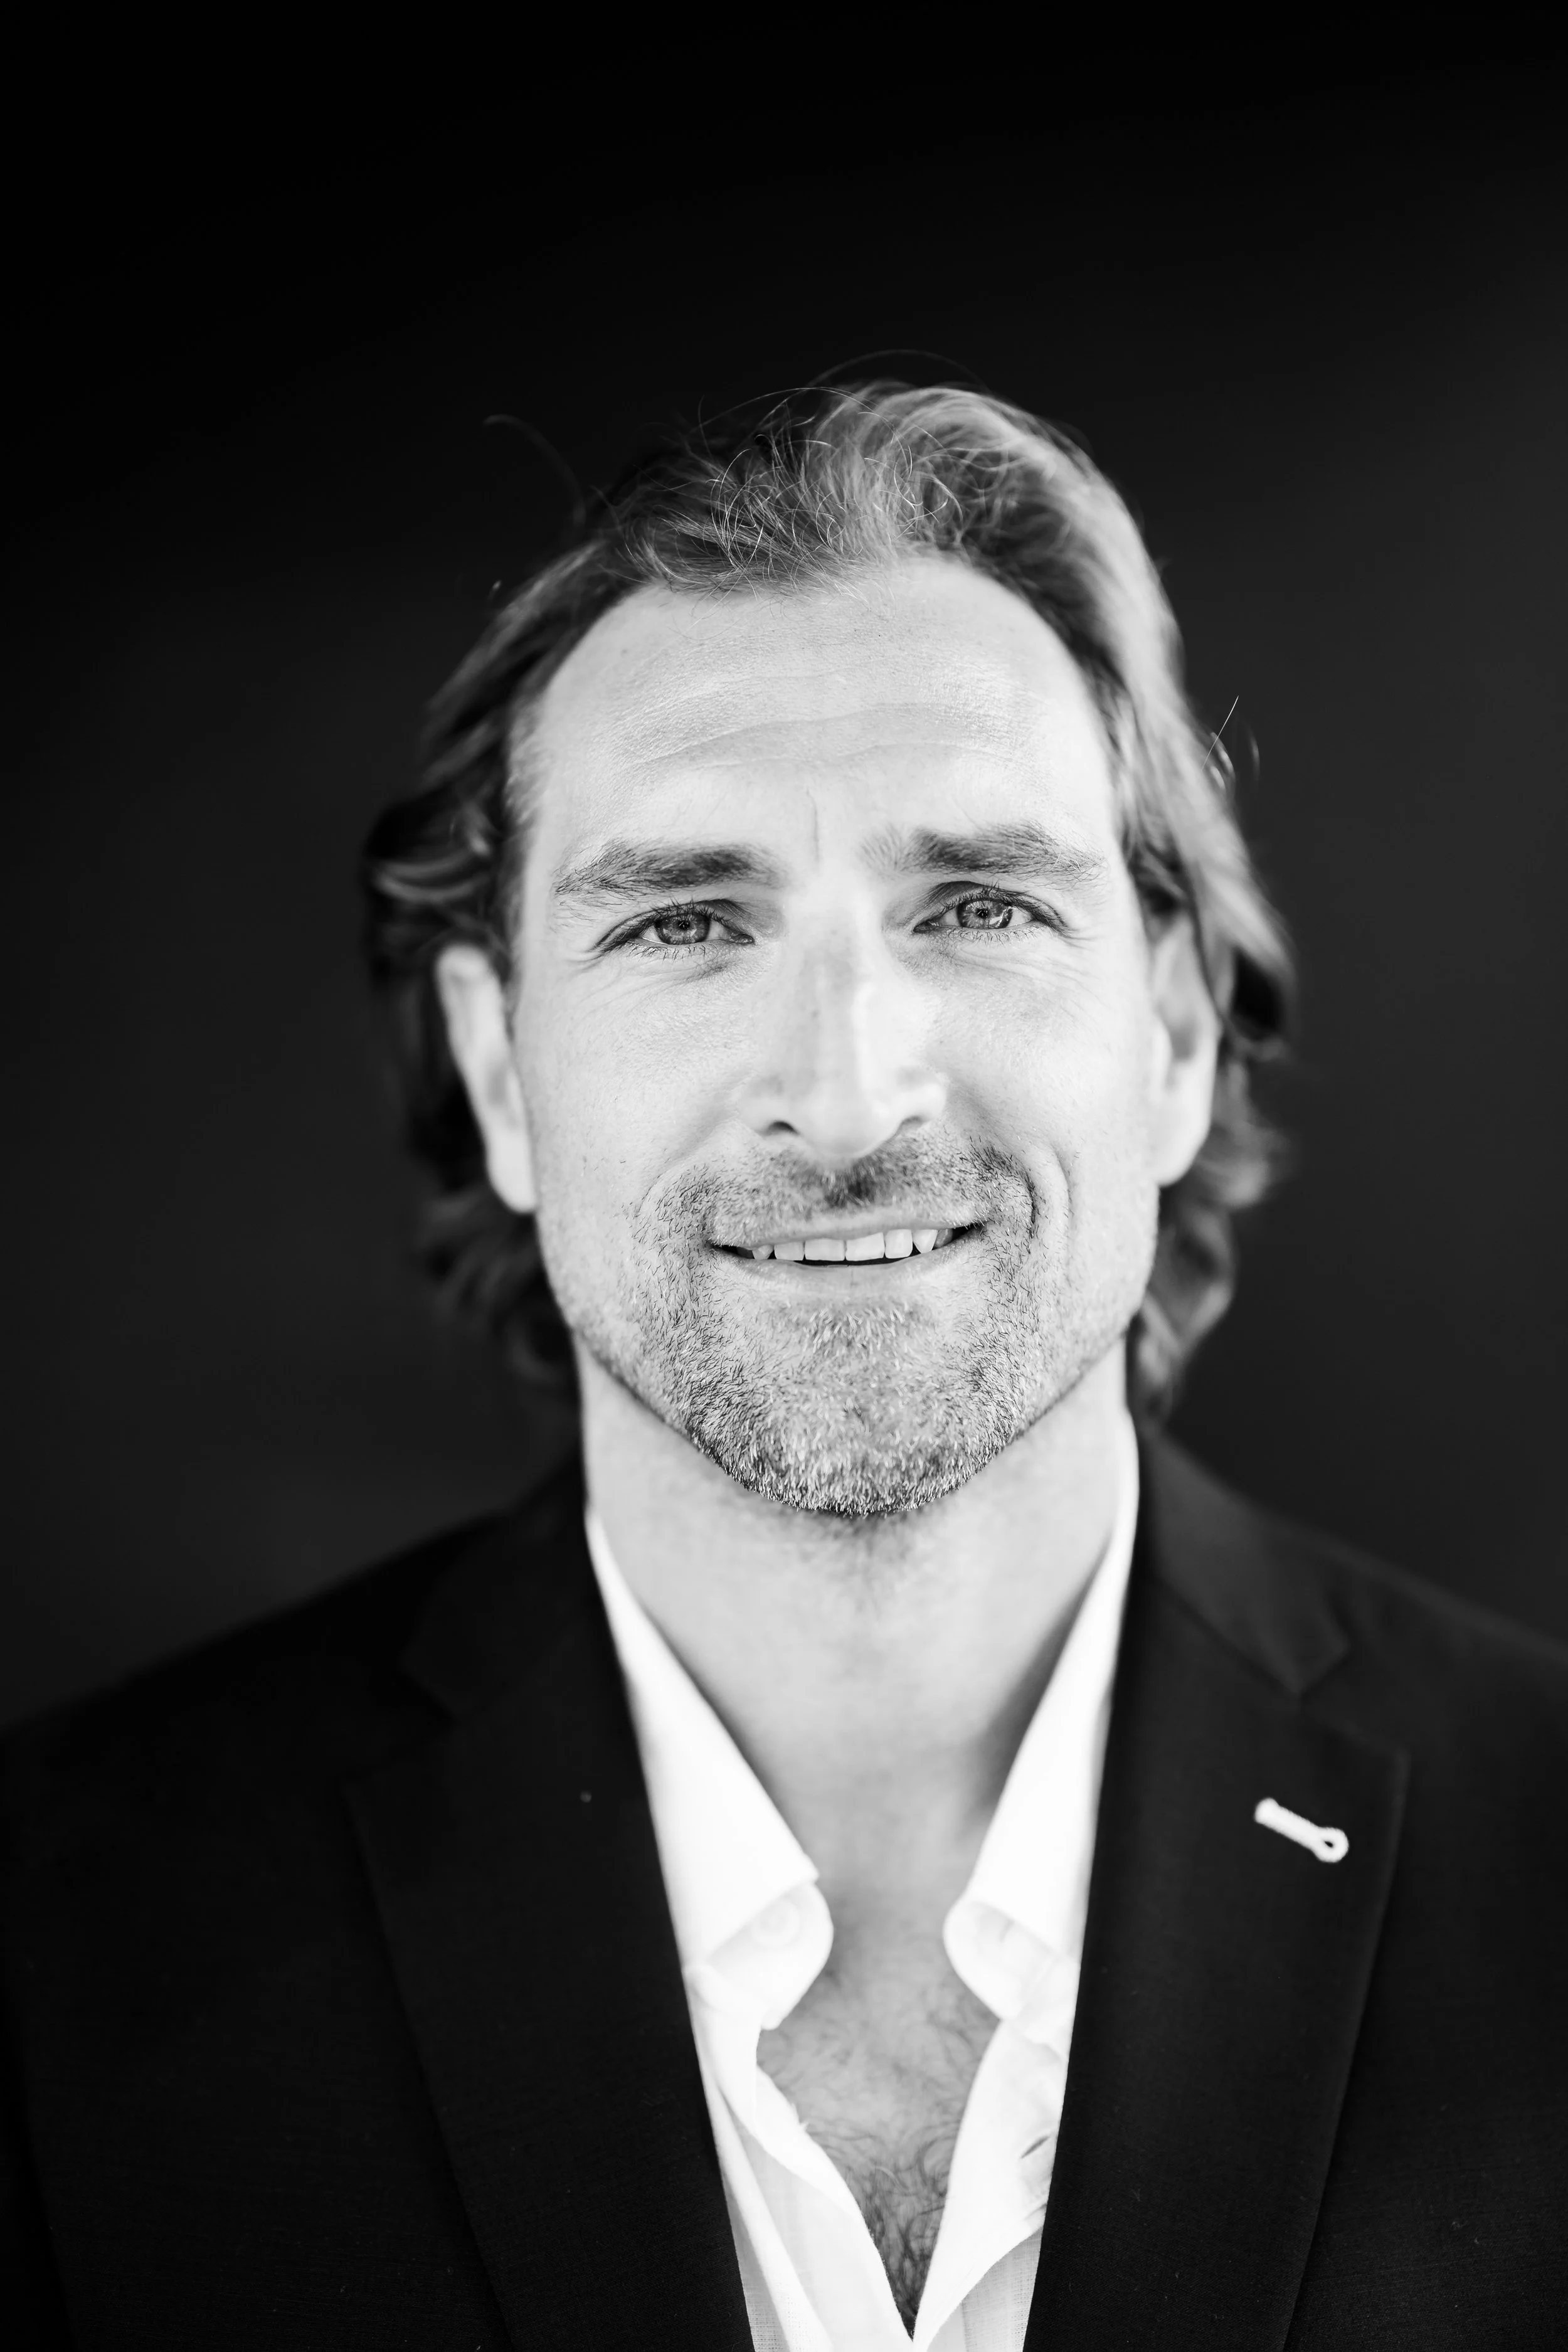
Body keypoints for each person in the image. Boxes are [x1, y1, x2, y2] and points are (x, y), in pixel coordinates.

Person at [3, 386, 1564, 2348]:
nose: (844, 1093)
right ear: (499, 1069)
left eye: (979, 903)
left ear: (1170, 1036)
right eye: (684, 920)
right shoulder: (56, 1950)